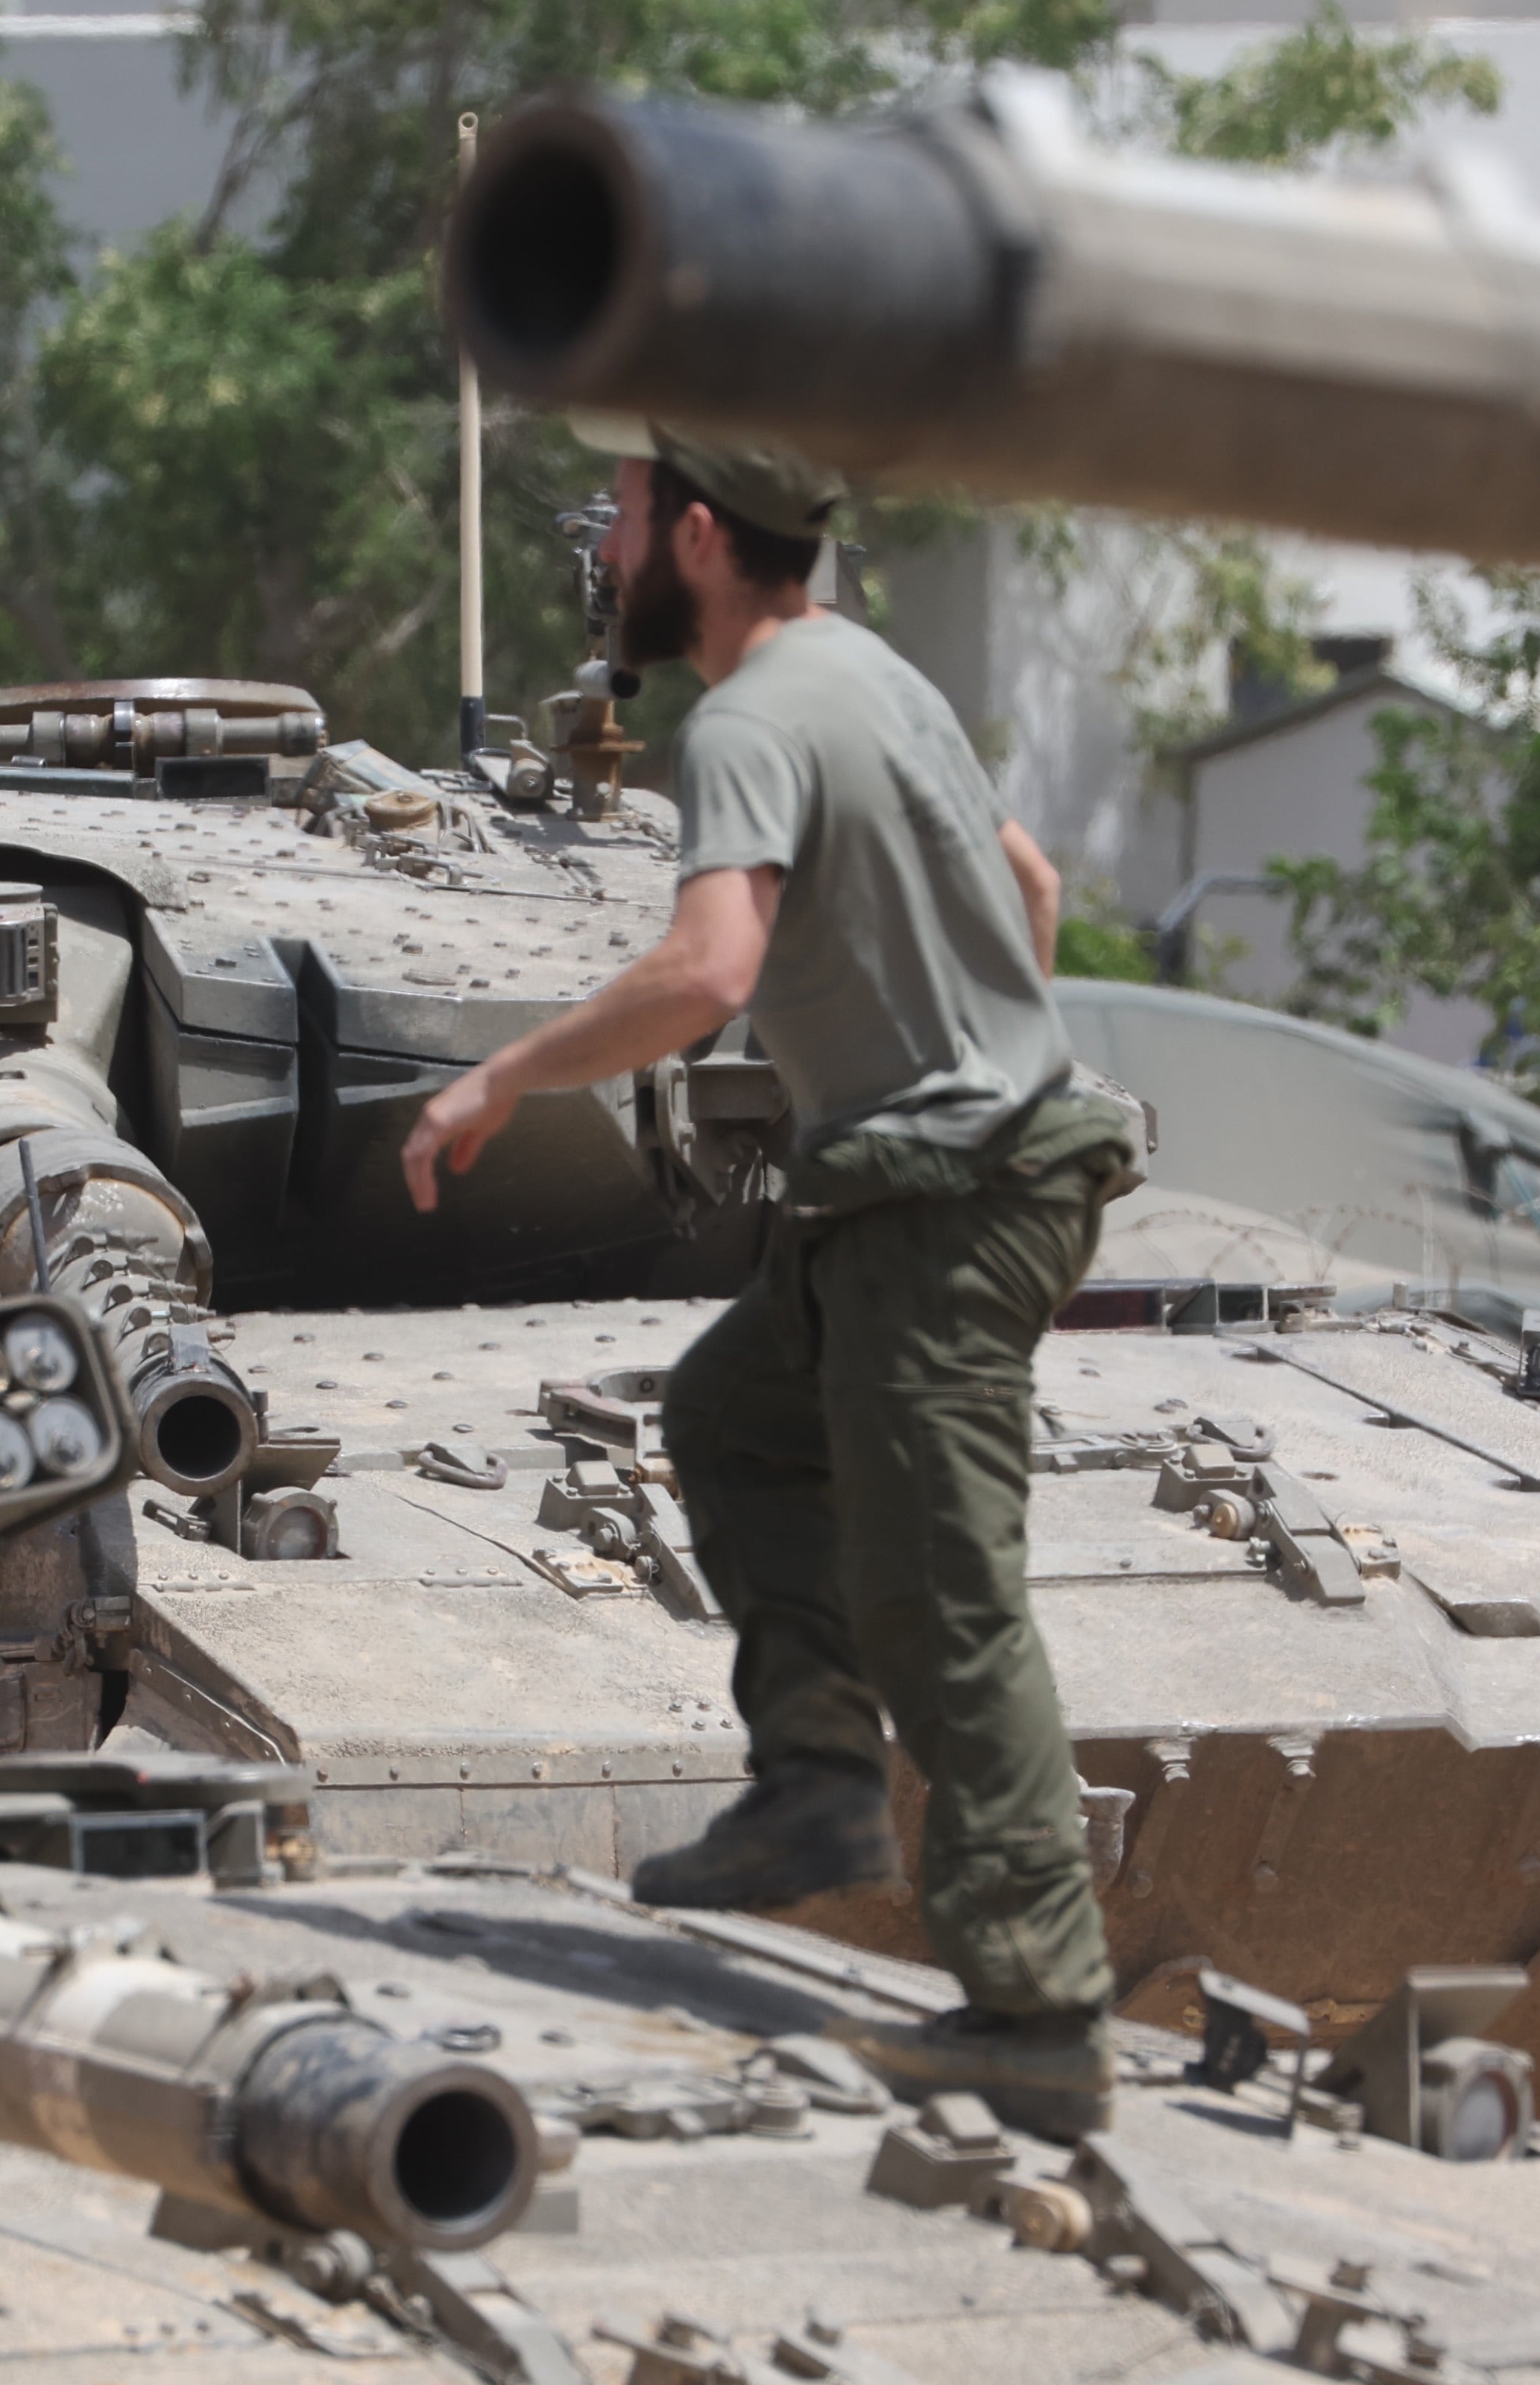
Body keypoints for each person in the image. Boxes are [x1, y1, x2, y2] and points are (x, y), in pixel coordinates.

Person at [397, 420, 1134, 2143]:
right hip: (934, 1174)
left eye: (634, 514)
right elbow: (1026, 881)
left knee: (942, 1598)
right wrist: (982, 1063)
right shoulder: (874, 675)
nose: (610, 544)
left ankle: (1036, 2011)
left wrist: (499, 1079)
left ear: (705, 539)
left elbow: (705, 970)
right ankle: (811, 1789)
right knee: (735, 1415)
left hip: (936, 1198)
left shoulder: (741, 719)